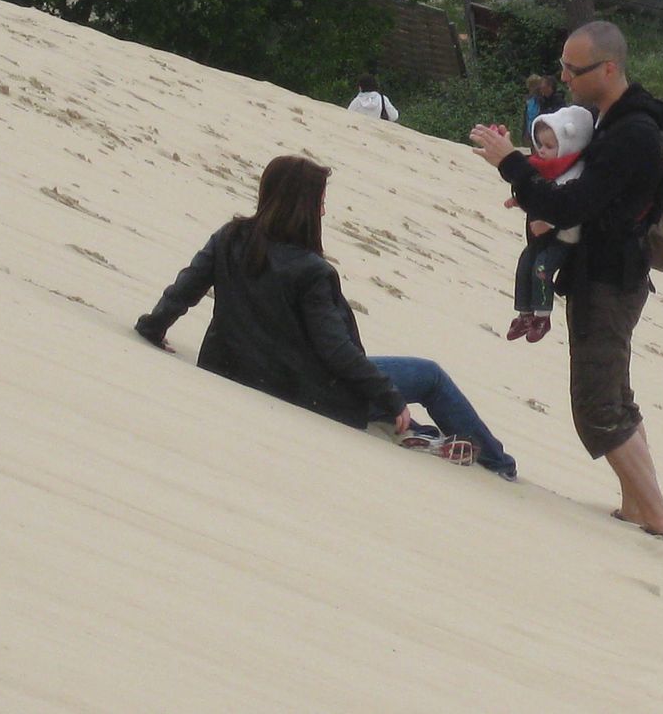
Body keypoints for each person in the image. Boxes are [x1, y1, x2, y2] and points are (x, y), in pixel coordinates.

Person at [133, 155, 516, 478]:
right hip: (308, 390)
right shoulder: (312, 271)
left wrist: (154, 326)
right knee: (429, 376)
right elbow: (335, 351)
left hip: (231, 368)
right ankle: (498, 464)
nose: (323, 210)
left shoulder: (230, 237)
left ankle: (419, 433)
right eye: (319, 201)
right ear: (303, 206)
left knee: (385, 387)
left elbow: (186, 288)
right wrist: (391, 396)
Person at [469, 21, 663, 550]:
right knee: (615, 397)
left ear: (610, 69)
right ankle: (638, 505)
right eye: (564, 67)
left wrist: (512, 168)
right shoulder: (611, 123)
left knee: (598, 410)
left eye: (575, 69)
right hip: (608, 275)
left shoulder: (631, 134)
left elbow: (573, 205)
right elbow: (579, 195)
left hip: (609, 280)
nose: (564, 78)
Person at [505, 105, 594, 343]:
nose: (542, 151)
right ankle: (524, 314)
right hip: (538, 238)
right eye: (540, 145)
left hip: (562, 238)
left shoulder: (573, 174)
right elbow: (538, 194)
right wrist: (519, 200)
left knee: (541, 269)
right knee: (525, 264)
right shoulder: (544, 169)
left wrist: (549, 223)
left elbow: (568, 207)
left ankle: (542, 317)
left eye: (550, 146)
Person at [522, 75, 545, 144]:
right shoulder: (529, 100)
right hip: (530, 130)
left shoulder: (543, 99)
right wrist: (525, 132)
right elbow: (526, 117)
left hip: (540, 131)